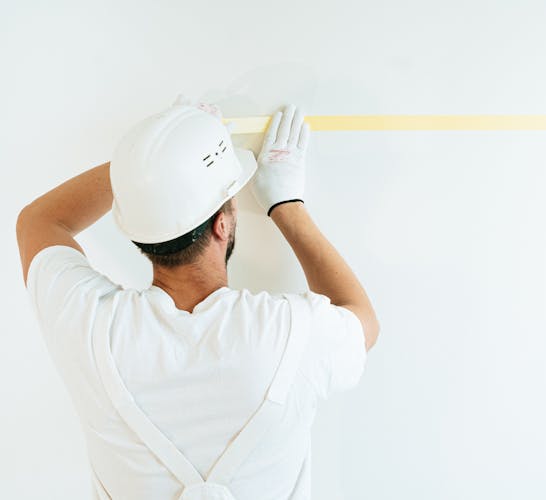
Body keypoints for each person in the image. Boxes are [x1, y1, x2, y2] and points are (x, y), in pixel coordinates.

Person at [15, 97, 380, 499]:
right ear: (222, 225)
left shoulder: (88, 330)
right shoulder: (289, 332)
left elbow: (40, 220)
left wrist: (148, 168)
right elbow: (362, 319)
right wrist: (287, 205)